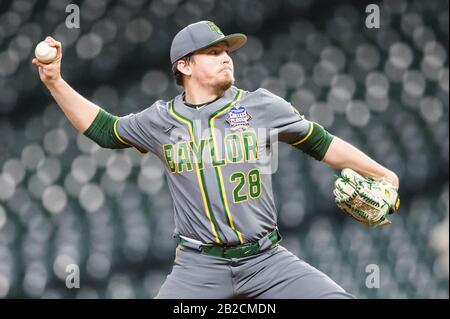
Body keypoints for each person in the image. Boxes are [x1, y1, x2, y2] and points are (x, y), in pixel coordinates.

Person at [32, 20, 399, 299]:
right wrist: (54, 81)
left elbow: (321, 143)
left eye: (227, 51)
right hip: (198, 266)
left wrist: (383, 174)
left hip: (266, 260)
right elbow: (105, 131)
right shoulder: (161, 120)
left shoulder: (261, 106)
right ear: (185, 66)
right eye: (213, 52)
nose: (226, 57)